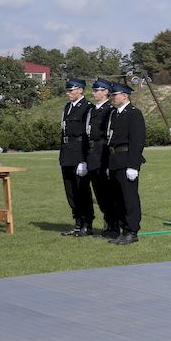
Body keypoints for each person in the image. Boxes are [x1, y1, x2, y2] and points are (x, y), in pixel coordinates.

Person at [105, 82, 146, 245]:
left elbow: (137, 141)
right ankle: (124, 230)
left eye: (115, 95)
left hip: (126, 160)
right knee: (118, 198)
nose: (112, 98)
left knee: (129, 198)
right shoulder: (115, 114)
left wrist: (133, 165)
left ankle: (132, 231)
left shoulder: (134, 113)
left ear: (124, 95)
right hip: (115, 160)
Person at [84, 78, 122, 239]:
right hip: (92, 155)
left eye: (96, 90)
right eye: (93, 90)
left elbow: (110, 137)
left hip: (104, 155)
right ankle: (108, 225)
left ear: (106, 92)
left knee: (109, 194)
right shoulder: (92, 110)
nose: (93, 93)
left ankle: (114, 227)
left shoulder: (110, 111)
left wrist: (108, 161)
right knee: (99, 194)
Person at [58, 78, 94, 236]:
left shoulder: (87, 107)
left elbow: (87, 136)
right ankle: (78, 222)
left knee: (82, 191)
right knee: (70, 191)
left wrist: (83, 160)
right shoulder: (68, 107)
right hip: (67, 152)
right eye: (67, 90)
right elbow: (64, 132)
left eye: (71, 90)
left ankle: (87, 223)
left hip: (79, 152)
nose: (68, 93)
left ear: (80, 90)